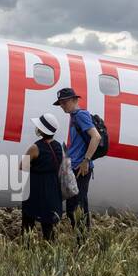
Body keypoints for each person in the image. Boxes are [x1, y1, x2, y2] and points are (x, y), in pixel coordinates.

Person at [52, 87, 100, 231]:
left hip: (81, 168)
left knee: (77, 205)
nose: (62, 106)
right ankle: (80, 237)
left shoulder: (80, 115)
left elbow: (96, 137)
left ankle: (82, 239)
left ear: (74, 100)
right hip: (76, 166)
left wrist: (86, 161)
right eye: (60, 103)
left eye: (64, 102)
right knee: (75, 204)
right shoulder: (74, 116)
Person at [20, 113, 65, 240]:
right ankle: (49, 254)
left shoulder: (35, 147)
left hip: (36, 190)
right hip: (52, 191)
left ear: (42, 130)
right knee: (48, 229)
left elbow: (22, 166)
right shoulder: (58, 146)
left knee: (27, 224)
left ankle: (26, 251)